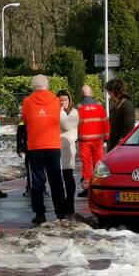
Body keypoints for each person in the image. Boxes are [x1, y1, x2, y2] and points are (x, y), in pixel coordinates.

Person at [21, 75, 66, 224]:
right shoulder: (55, 101)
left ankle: (40, 213)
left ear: (33, 86)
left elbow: (26, 119)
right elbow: (59, 119)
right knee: (56, 180)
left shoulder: (27, 102)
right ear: (47, 85)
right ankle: (60, 213)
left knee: (37, 181)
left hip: (35, 146)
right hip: (52, 145)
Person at [77, 84, 108, 197]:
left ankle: (87, 188)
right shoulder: (99, 106)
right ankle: (99, 186)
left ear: (82, 94)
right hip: (98, 140)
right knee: (98, 162)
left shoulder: (79, 107)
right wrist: (107, 137)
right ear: (92, 93)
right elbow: (105, 122)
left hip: (84, 140)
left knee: (86, 164)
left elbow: (76, 124)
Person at [57, 89, 79, 217]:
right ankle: (62, 203)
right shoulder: (57, 112)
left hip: (68, 147)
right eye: (60, 100)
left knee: (68, 177)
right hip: (56, 147)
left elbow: (65, 125)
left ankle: (70, 203)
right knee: (58, 179)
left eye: (65, 100)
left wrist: (60, 112)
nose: (63, 103)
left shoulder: (74, 112)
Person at [106, 78, 136, 151]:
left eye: (109, 91)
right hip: (113, 145)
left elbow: (128, 129)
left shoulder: (126, 105)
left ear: (114, 91)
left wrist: (118, 147)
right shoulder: (115, 105)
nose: (108, 93)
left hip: (120, 148)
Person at [16, 117, 31, 196]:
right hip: (29, 146)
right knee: (30, 168)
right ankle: (30, 187)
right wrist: (19, 148)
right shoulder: (24, 116)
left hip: (41, 145)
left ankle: (42, 188)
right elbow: (20, 132)